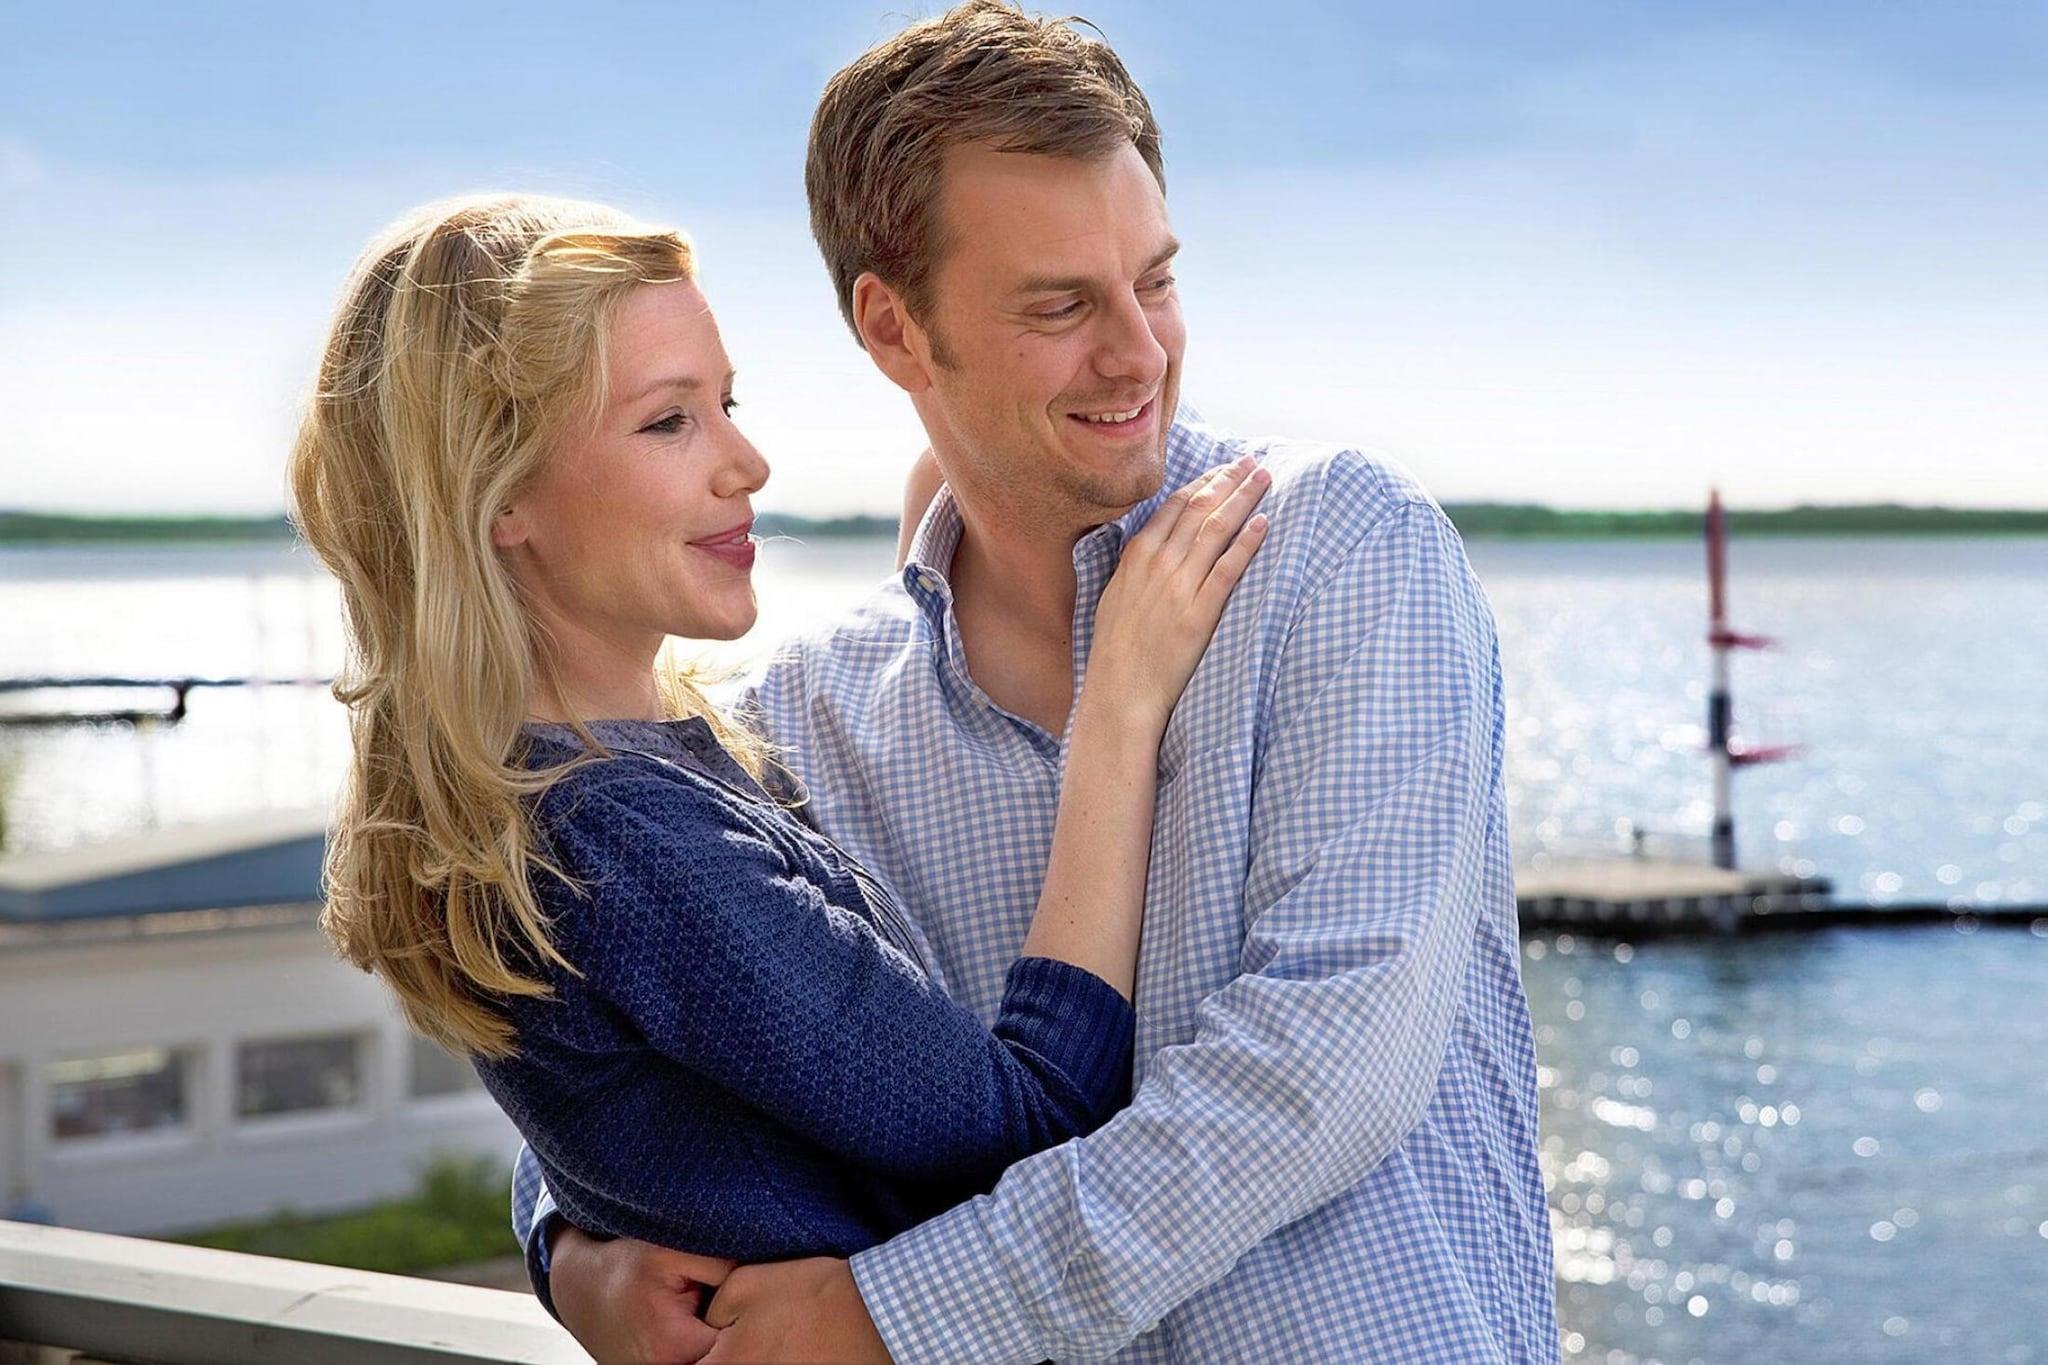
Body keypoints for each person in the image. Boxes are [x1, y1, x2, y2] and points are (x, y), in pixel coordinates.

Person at [521, 3, 1561, 1361]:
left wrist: (889, 1319)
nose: (1138, 354)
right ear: (895, 330)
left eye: (1156, 281)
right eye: (1061, 306)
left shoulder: (1338, 550)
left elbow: (1324, 1065)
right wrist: (572, 1251)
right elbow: (644, 1050)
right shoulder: (798, 728)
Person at [286, 192, 1273, 1360]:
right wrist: (1119, 701)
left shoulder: (566, 782)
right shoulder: (618, 835)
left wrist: (562, 1245)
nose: (745, 463)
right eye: (668, 422)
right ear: (496, 496)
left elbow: (639, 1103)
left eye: (728, 404)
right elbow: (1027, 1123)